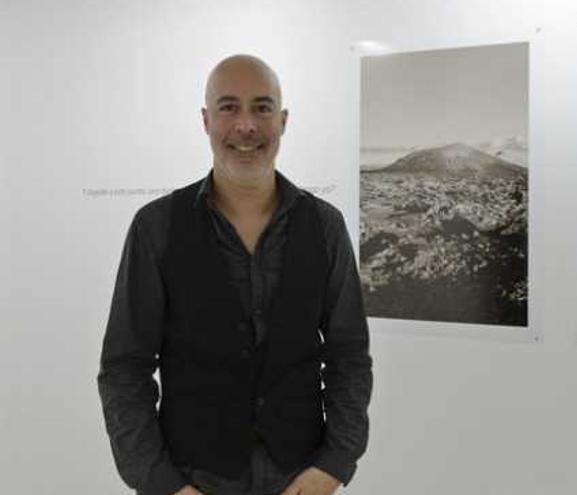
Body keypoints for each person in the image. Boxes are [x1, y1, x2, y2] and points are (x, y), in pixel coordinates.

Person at [97, 54, 373, 495]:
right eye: (229, 107)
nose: (246, 125)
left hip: (300, 478)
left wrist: (335, 463)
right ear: (206, 121)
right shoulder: (156, 227)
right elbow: (124, 368)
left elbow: (349, 355)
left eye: (262, 108)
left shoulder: (325, 226)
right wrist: (159, 481)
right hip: (192, 479)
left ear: (282, 121)